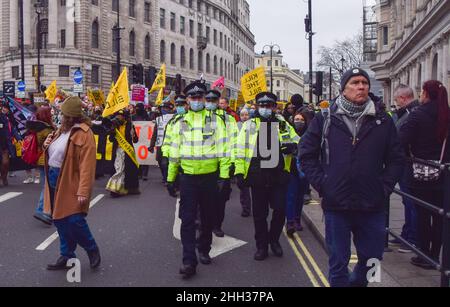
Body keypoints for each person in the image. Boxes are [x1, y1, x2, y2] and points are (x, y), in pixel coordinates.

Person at [299, 68, 404, 287]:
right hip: (337, 204)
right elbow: (306, 154)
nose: (361, 86)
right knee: (338, 262)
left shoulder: (383, 120)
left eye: (364, 82)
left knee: (373, 258)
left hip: (372, 203)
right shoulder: (324, 119)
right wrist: (322, 184)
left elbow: (396, 159)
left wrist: (383, 187)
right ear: (343, 89)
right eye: (355, 82)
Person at [167, 81, 231, 279]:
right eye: (192, 98)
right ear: (187, 100)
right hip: (188, 178)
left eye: (199, 98)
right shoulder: (181, 122)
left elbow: (224, 149)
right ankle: (189, 261)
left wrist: (224, 176)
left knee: (208, 217)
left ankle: (204, 248)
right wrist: (171, 177)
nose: (196, 101)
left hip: (210, 177)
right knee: (187, 220)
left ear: (204, 99)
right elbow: (175, 151)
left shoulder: (215, 121)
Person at [235, 92, 300, 261]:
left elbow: (298, 141)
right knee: (259, 215)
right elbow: (240, 151)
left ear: (274, 107)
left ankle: (274, 240)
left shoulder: (283, 124)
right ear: (257, 107)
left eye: (268, 105)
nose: (265, 109)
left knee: (280, 211)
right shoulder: (248, 125)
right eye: (262, 106)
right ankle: (261, 246)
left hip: (279, 175)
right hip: (258, 176)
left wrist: (294, 146)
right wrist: (239, 173)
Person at [42, 96, 100, 270]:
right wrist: (46, 145)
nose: (61, 117)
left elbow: (87, 166)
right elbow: (54, 153)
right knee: (59, 220)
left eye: (65, 115)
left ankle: (92, 248)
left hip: (70, 180)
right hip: (53, 177)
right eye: (61, 114)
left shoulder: (85, 133)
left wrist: (83, 191)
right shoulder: (60, 130)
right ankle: (66, 255)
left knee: (75, 220)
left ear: (73, 117)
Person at [399, 80, 450, 269]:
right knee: (439, 216)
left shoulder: (417, 115)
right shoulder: (447, 113)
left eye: (421, 92)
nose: (420, 96)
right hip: (444, 175)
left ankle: (424, 254)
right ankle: (435, 255)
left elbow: (401, 141)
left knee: (422, 215)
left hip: (420, 174)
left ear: (426, 94)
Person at [391, 84, 420, 253]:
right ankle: (407, 233)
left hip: (408, 163)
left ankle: (413, 238)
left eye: (396, 100)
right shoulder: (407, 113)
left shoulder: (412, 114)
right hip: (404, 162)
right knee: (406, 200)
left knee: (411, 202)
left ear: (403, 98)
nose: (395, 104)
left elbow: (402, 138)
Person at [205, 90, 238, 237]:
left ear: (219, 101)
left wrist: (233, 162)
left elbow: (235, 141)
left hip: (222, 164)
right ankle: (202, 221)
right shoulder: (198, 117)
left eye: (214, 100)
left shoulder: (228, 119)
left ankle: (217, 225)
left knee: (221, 198)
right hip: (203, 165)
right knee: (203, 197)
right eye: (209, 100)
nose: (211, 103)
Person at [27, 106, 56, 225]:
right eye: (50, 113)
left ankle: (49, 211)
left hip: (40, 159)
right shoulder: (45, 129)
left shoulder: (36, 127)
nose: (52, 115)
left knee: (48, 185)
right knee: (47, 186)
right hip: (45, 159)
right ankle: (42, 211)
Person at [285, 110, 310, 236]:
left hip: (305, 170)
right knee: (290, 196)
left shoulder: (310, 134)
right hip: (291, 168)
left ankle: (297, 219)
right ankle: (290, 222)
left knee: (299, 197)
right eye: (296, 119)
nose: (298, 122)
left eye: (301, 120)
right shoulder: (288, 132)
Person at [105, 110, 140, 198]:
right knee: (119, 169)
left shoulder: (130, 125)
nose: (118, 117)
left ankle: (130, 188)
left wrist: (134, 134)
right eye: (117, 116)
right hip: (117, 150)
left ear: (124, 117)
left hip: (128, 151)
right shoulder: (114, 125)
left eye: (120, 116)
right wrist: (112, 132)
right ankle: (115, 188)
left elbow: (135, 140)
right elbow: (111, 139)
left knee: (129, 170)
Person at [149, 101, 175, 185]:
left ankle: (168, 178)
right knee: (160, 161)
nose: (164, 110)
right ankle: (164, 176)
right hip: (160, 144)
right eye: (163, 108)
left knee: (166, 162)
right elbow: (155, 133)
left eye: (166, 108)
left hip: (171, 145)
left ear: (170, 109)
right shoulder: (159, 119)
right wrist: (151, 145)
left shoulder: (175, 118)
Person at [0, 101, 21, 187]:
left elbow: (12, 129)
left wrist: (19, 138)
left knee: (5, 162)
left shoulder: (5, 118)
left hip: (5, 144)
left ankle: (4, 177)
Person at [238, 108, 252, 217]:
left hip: (252, 160)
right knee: (244, 188)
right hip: (241, 160)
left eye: (246, 114)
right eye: (242, 115)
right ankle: (245, 207)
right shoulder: (236, 126)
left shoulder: (253, 125)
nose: (244, 116)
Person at [133, 103, 151, 181]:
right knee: (136, 156)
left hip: (145, 139)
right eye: (136, 108)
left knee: (145, 156)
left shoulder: (147, 117)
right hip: (136, 139)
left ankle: (144, 174)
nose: (137, 109)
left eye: (138, 108)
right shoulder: (133, 117)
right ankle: (138, 173)